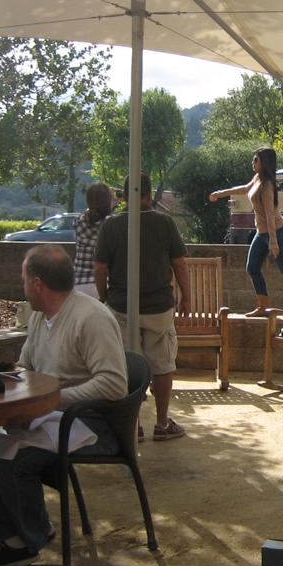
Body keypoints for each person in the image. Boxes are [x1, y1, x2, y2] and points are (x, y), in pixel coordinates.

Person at [0, 245, 126, 566]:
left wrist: (49, 401)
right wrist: (5, 392)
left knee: (11, 457)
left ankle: (26, 540)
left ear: (37, 284)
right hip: (49, 415)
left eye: (23, 279)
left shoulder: (91, 318)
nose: (21, 286)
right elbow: (26, 367)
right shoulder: (38, 317)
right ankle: (5, 537)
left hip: (91, 422)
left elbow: (114, 384)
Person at [94, 171, 190, 441]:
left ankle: (132, 425)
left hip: (121, 305)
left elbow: (100, 268)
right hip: (159, 306)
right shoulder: (165, 223)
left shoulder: (111, 226)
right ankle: (162, 423)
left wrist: (104, 296)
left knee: (127, 365)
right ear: (149, 194)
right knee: (162, 365)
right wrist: (187, 296)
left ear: (124, 195)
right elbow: (180, 264)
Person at [209, 146, 283, 317]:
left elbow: (269, 214)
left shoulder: (267, 185)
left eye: (256, 160)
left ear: (264, 162)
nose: (253, 162)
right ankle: (263, 306)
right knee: (252, 267)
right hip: (262, 233)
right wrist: (221, 193)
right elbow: (246, 188)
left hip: (275, 231)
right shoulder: (258, 178)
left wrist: (273, 241)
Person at [73, 182, 114, 298]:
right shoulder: (111, 224)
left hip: (78, 285)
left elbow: (91, 214)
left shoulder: (79, 221)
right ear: (108, 201)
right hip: (103, 285)